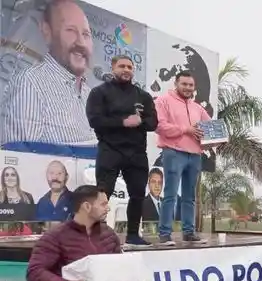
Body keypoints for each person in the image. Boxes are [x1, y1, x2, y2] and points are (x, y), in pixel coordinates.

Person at [1, 0, 96, 145]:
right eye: (70, 30)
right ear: (47, 32)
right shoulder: (30, 84)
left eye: (86, 34)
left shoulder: (89, 94)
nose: (81, 42)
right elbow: (19, 155)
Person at [86, 55, 157, 246]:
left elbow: (153, 122)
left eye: (129, 67)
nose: (126, 70)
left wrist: (140, 121)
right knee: (102, 194)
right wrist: (123, 122)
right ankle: (92, 235)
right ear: (113, 68)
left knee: (137, 194)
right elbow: (94, 120)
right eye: (122, 66)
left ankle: (133, 235)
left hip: (136, 153)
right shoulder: (99, 92)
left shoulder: (143, 96)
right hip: (110, 150)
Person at [154, 70, 214, 245]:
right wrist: (186, 129)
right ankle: (165, 234)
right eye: (184, 84)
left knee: (190, 197)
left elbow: (211, 128)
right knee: (170, 194)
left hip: (195, 155)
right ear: (176, 84)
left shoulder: (198, 108)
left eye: (191, 85)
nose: (188, 88)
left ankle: (189, 232)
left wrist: (218, 139)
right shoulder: (163, 101)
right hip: (173, 152)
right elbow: (159, 126)